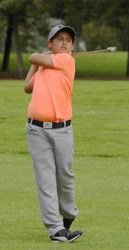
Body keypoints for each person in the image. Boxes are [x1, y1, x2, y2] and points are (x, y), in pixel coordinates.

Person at [24, 25, 82, 243]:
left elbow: (31, 56)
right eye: (59, 39)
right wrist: (38, 64)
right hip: (36, 130)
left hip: (62, 131)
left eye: (68, 40)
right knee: (45, 179)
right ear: (50, 43)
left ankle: (68, 215)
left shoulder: (67, 61)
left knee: (65, 177)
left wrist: (40, 58)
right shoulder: (44, 67)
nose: (65, 43)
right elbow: (27, 88)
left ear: (72, 46)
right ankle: (56, 229)